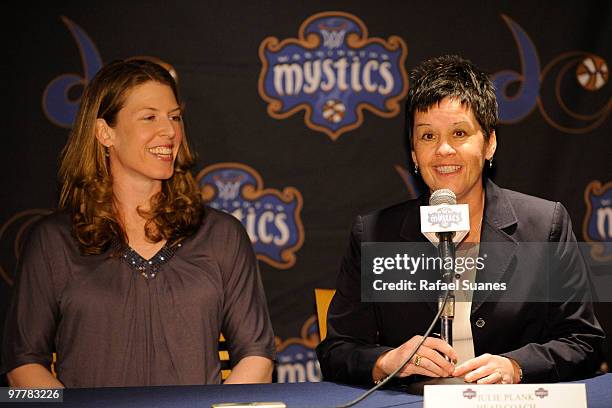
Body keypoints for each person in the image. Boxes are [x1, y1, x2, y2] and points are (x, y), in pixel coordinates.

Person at [316, 55, 604, 385]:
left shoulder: (545, 225)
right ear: (413, 153)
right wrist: (385, 361)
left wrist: (516, 366)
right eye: (427, 137)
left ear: (490, 143)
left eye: (459, 133)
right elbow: (336, 350)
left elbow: (584, 342)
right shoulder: (375, 234)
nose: (443, 151)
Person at [1, 59, 275, 387]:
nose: (170, 131)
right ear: (105, 132)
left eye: (174, 117)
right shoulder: (53, 241)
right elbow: (23, 363)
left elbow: (257, 356)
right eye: (149, 117)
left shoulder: (220, 235)